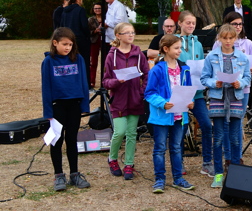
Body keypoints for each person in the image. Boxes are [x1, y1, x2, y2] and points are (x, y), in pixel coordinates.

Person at [201, 24, 252, 187]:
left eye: (231, 38)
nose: (228, 41)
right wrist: (214, 82)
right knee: (219, 138)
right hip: (218, 98)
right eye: (225, 38)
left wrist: (241, 83)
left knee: (236, 138)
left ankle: (236, 174)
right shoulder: (211, 56)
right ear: (219, 38)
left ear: (235, 38)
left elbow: (247, 77)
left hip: (236, 98)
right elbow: (204, 78)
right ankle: (218, 174)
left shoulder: (242, 57)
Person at [41, 27, 91, 191]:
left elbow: (84, 83)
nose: (68, 47)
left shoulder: (78, 59)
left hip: (74, 106)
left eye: (70, 44)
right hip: (57, 107)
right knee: (57, 141)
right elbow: (46, 88)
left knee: (72, 139)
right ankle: (58, 175)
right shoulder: (48, 62)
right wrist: (48, 112)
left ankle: (74, 174)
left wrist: (84, 105)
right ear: (55, 43)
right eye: (64, 44)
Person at [145, 34, 195, 193]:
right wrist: (163, 103)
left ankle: (178, 178)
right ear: (166, 49)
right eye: (177, 48)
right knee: (159, 148)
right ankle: (160, 179)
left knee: (176, 147)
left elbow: (188, 90)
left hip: (180, 116)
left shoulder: (184, 68)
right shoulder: (157, 70)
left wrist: (190, 101)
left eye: (180, 47)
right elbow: (149, 93)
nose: (180, 51)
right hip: (162, 116)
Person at [102, 22, 148, 181]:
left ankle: (129, 163)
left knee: (131, 133)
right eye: (127, 32)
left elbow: (146, 75)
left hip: (135, 100)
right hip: (119, 100)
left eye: (132, 32)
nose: (130, 35)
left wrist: (141, 92)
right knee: (119, 131)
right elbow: (105, 81)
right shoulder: (111, 55)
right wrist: (116, 82)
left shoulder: (139, 54)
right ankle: (112, 159)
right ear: (118, 35)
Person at [176, 11, 214, 178]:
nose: (191, 26)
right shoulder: (175, 42)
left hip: (197, 92)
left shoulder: (198, 43)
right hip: (182, 92)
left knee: (206, 125)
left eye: (193, 23)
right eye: (188, 23)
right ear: (180, 23)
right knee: (182, 127)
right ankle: (179, 162)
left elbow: (200, 65)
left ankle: (207, 163)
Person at [223, 11, 252, 166]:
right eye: (234, 24)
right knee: (226, 122)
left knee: (237, 122)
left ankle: (237, 157)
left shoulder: (248, 43)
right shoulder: (221, 42)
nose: (237, 27)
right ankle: (228, 157)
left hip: (243, 88)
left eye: (240, 24)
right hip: (226, 88)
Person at [60, 0, 91, 87]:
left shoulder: (65, 11)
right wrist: (88, 35)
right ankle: (86, 84)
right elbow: (84, 26)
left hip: (68, 39)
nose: (82, 0)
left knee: (69, 61)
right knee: (84, 62)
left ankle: (69, 82)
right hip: (80, 39)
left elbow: (61, 26)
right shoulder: (80, 10)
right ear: (77, 0)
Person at [102, 0, 128, 67]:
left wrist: (107, 24)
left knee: (117, 61)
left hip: (117, 39)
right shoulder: (109, 6)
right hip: (109, 38)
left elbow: (119, 22)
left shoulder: (118, 6)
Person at [88, 3, 104, 88]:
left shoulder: (106, 18)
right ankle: (91, 81)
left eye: (99, 8)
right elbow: (88, 32)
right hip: (94, 41)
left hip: (105, 41)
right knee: (93, 62)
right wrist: (95, 31)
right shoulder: (91, 20)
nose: (97, 10)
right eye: (96, 8)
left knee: (105, 62)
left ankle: (105, 81)